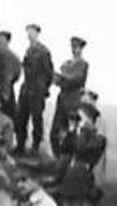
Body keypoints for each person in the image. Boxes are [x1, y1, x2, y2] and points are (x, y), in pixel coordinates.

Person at [16, 24, 54, 155]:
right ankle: (20, 145)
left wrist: (44, 88)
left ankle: (35, 146)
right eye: (28, 32)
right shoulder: (29, 50)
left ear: (37, 33)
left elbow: (49, 72)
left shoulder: (43, 51)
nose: (29, 35)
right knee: (21, 117)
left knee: (36, 119)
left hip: (37, 89)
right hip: (26, 87)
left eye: (32, 32)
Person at [50, 37, 89, 156]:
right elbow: (58, 80)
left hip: (73, 99)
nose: (74, 50)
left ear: (81, 49)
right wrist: (61, 78)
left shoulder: (83, 64)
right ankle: (58, 158)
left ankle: (68, 159)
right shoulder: (66, 63)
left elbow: (75, 79)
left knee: (71, 132)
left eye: (76, 47)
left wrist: (63, 78)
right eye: (73, 47)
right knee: (55, 132)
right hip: (63, 98)